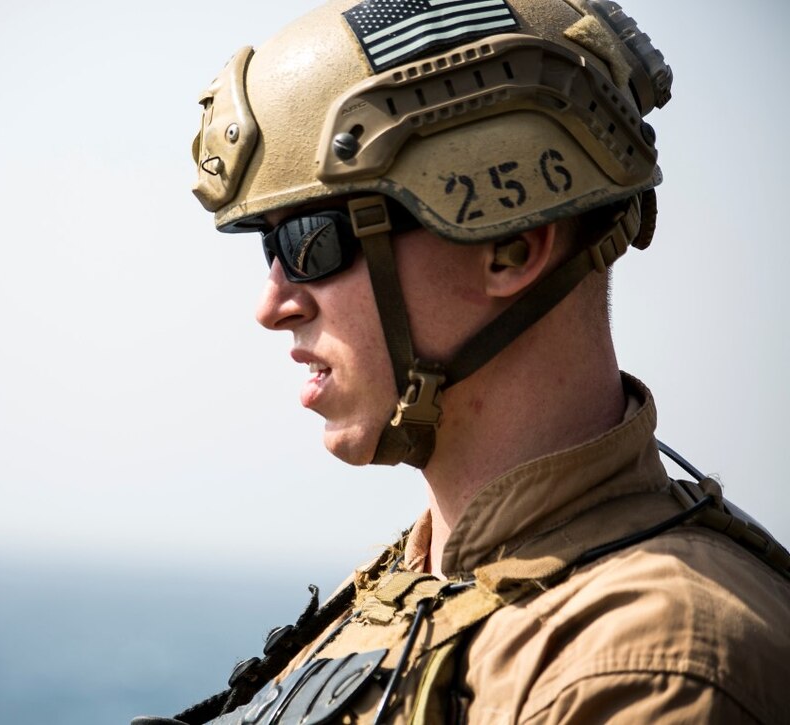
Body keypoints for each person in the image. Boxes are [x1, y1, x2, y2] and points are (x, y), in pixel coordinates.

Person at [136, 0, 790, 722]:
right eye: (270, 247)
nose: (274, 303)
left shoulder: (644, 664)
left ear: (510, 246)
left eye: (311, 241)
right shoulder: (419, 582)